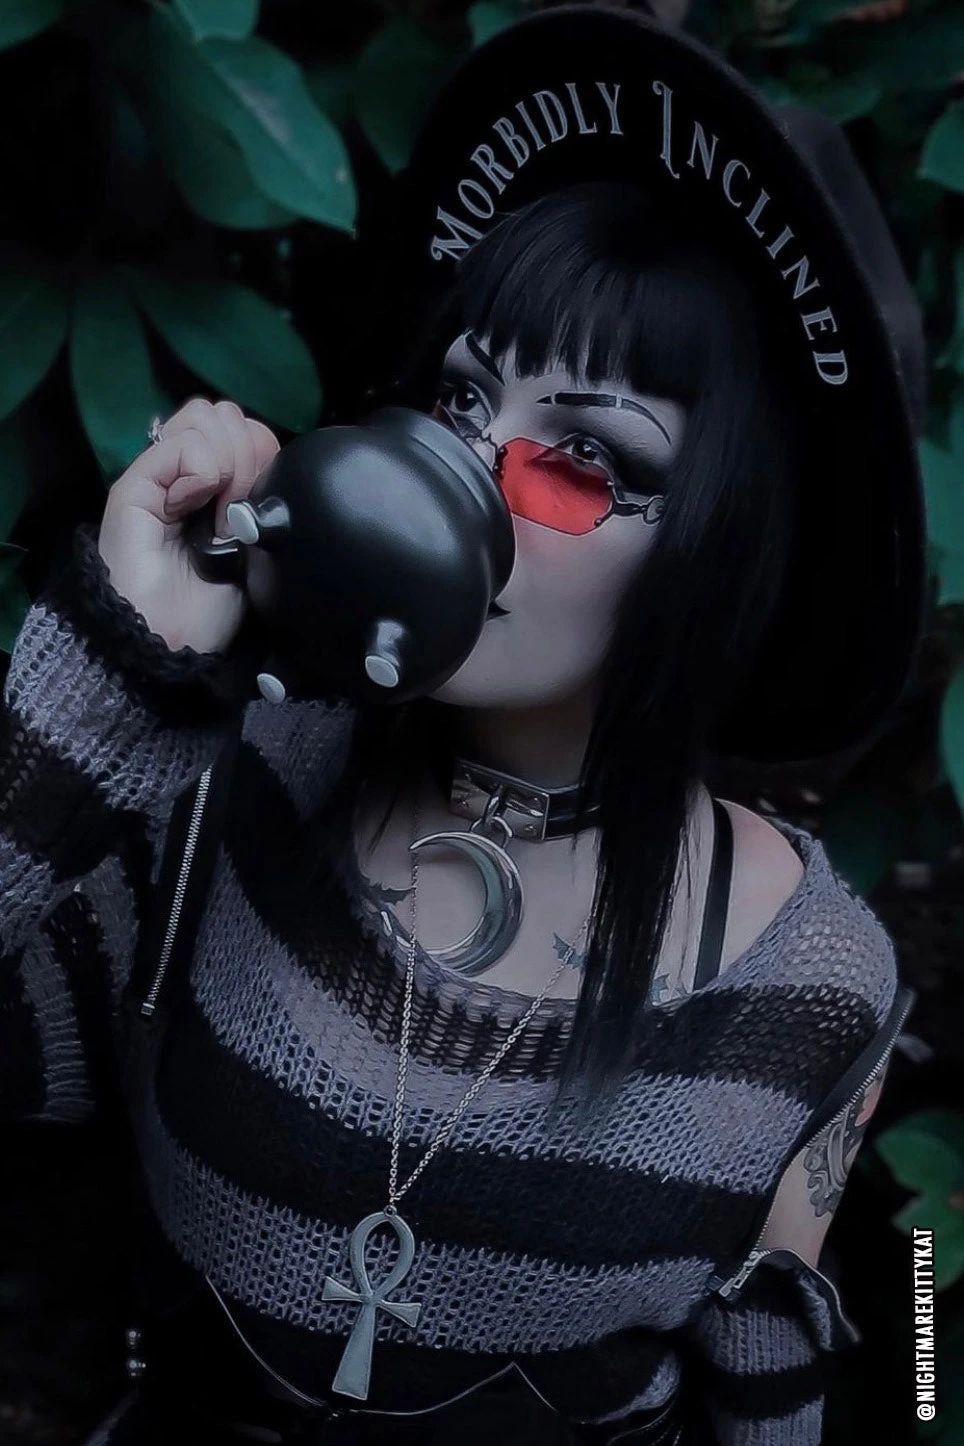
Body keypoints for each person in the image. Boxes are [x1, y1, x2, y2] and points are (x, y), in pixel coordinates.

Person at [0, 8, 926, 1445]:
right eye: (458, 398)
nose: (463, 483)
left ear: (718, 561)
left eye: (581, 460)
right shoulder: (218, 794)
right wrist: (113, 673)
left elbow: (784, 1370)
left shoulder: (814, 985)